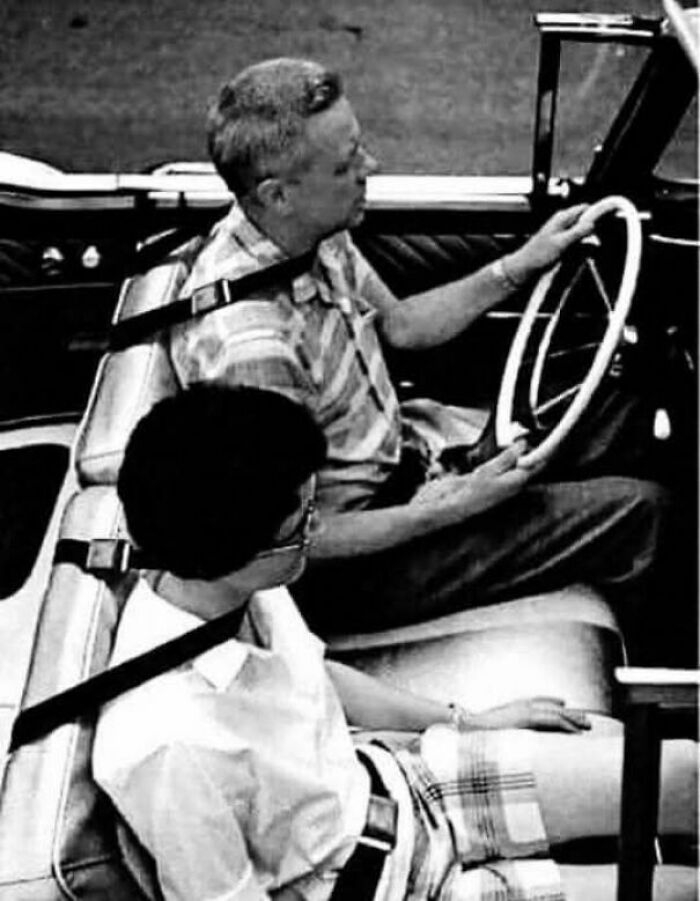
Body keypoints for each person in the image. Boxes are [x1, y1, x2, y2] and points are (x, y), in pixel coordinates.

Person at [93, 384, 696, 901]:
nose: (316, 530)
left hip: (403, 783)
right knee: (682, 893)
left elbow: (317, 675)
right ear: (235, 553)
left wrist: (470, 722)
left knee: (687, 774)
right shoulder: (163, 745)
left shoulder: (230, 587)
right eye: (301, 525)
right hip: (385, 887)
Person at [169, 57, 666, 652]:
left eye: (358, 148)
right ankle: (659, 702)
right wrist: (447, 509)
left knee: (630, 408)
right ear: (278, 193)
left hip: (413, 468)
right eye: (345, 163)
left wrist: (520, 265)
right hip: (357, 568)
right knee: (642, 515)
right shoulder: (253, 352)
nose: (368, 167)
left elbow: (401, 325)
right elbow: (283, 541)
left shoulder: (308, 234)